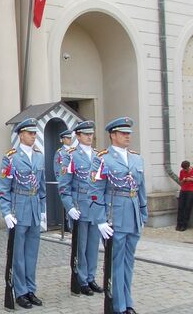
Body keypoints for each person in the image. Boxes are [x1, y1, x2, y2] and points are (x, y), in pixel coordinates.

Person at [91, 117, 147, 314]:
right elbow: (96, 190)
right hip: (114, 215)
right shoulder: (102, 158)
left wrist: (143, 213)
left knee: (128, 262)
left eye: (128, 133)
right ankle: (119, 305)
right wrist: (100, 220)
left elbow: (141, 189)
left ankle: (128, 302)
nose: (127, 136)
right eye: (123, 133)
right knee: (116, 262)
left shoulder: (136, 158)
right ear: (113, 135)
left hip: (132, 215)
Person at [0, 118, 47, 309]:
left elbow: (42, 187)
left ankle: (30, 289)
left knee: (31, 253)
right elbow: (3, 188)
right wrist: (6, 212)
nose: (33, 136)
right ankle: (20, 291)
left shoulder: (39, 156)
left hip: (34, 208)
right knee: (18, 254)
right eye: (30, 133)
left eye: (35, 133)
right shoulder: (10, 158)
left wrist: (42, 209)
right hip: (18, 208)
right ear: (20, 135)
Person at [56, 120, 104, 296]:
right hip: (79, 205)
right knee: (80, 246)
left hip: (95, 207)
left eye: (91, 134)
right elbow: (64, 185)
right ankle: (81, 280)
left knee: (93, 245)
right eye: (86, 134)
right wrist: (69, 206)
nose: (89, 137)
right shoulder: (70, 155)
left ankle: (91, 278)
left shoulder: (99, 155)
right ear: (77, 136)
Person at [176, 160, 193, 231]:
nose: (185, 170)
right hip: (183, 190)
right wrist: (184, 180)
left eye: (186, 169)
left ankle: (184, 225)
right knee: (180, 207)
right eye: (184, 169)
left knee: (187, 207)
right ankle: (179, 224)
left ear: (189, 167)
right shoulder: (182, 171)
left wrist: (191, 179)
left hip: (192, 190)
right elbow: (180, 182)